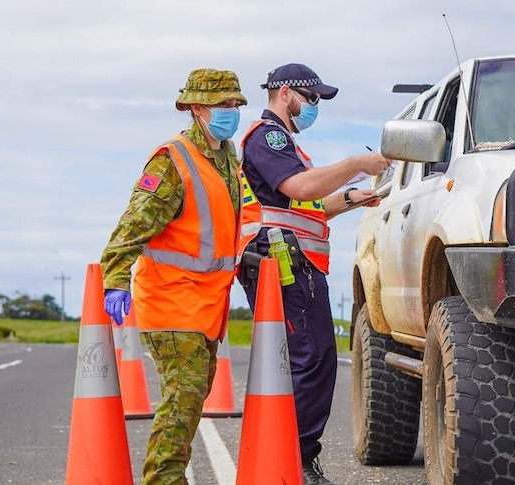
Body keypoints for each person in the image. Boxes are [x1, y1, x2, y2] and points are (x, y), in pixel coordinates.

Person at [237, 63, 392, 485]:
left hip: (291, 261)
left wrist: (351, 198)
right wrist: (356, 163)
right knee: (312, 359)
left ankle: (290, 458)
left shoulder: (284, 144)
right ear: (285, 93)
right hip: (284, 262)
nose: (314, 107)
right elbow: (301, 189)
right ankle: (296, 462)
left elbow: (309, 206)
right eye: (312, 98)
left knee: (310, 360)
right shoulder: (269, 137)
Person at [100, 68, 246, 485]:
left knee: (190, 403)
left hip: (207, 305)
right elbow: (132, 227)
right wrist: (115, 279)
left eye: (235, 104)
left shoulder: (226, 156)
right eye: (223, 105)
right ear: (197, 108)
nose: (231, 111)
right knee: (181, 406)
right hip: (171, 301)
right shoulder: (172, 160)